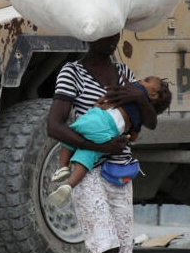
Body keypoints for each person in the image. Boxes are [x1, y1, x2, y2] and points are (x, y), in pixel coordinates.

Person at [46, 33, 157, 253]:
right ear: (88, 33)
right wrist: (98, 146)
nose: (111, 39)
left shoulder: (124, 73)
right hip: (88, 171)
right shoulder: (72, 72)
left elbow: (149, 122)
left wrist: (138, 97)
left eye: (114, 33)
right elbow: (55, 126)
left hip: (119, 171)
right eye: (103, 33)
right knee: (107, 252)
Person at [48, 75, 171, 206]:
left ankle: (62, 167)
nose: (141, 80)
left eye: (146, 81)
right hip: (110, 134)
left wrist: (98, 104)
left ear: (154, 95)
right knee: (87, 156)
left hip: (99, 118)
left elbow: (107, 99)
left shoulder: (134, 89)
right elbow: (133, 137)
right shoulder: (142, 116)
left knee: (70, 136)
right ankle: (68, 185)